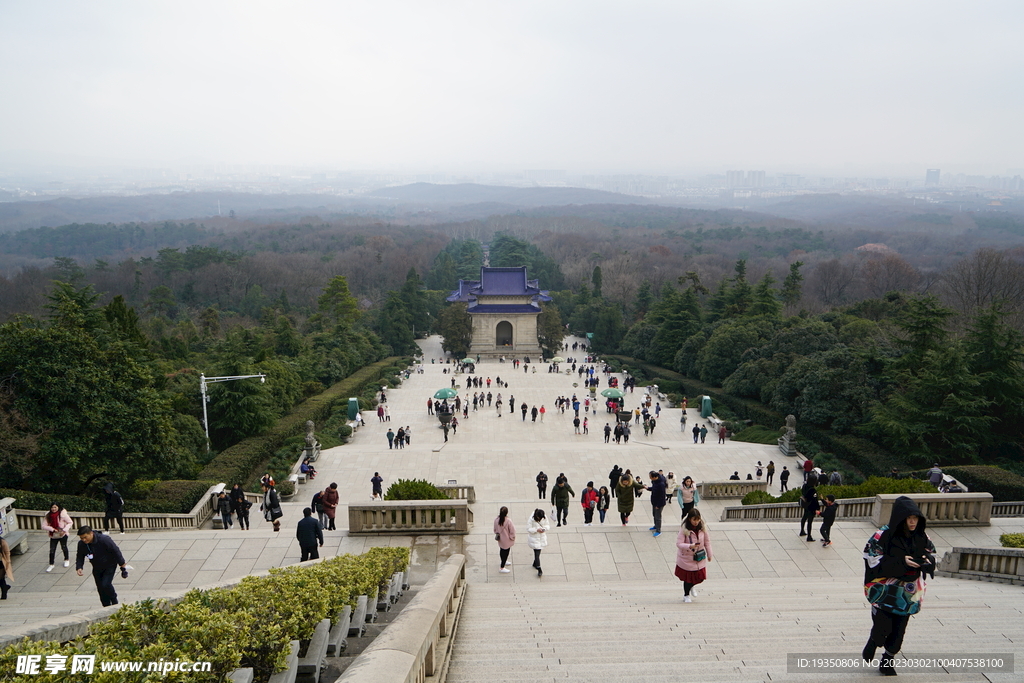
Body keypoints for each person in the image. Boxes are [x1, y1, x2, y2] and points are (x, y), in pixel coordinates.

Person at [861, 496, 936, 675]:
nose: (912, 522)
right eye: (909, 518)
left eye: (915, 518)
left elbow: (931, 553)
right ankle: (874, 640)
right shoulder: (883, 534)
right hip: (886, 591)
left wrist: (926, 561)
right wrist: (901, 561)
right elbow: (871, 558)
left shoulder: (922, 535)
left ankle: (887, 660)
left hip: (908, 593)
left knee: (899, 630)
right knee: (882, 628)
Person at [75, 525, 128, 607]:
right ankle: (106, 605)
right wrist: (79, 567)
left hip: (109, 565)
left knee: (105, 584)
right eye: (81, 538)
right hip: (96, 567)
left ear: (91, 533)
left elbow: (115, 550)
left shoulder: (104, 540)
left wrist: (122, 563)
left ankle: (114, 601)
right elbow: (80, 555)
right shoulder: (82, 544)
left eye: (85, 537)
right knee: (100, 588)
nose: (84, 540)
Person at [675, 508, 713, 603]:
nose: (696, 522)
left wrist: (709, 554)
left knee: (700, 577)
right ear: (689, 519)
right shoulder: (684, 529)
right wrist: (689, 546)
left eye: (698, 519)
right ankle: (686, 595)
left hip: (699, 557)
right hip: (686, 558)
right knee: (688, 579)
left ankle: (692, 586)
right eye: (694, 520)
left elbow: (707, 542)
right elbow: (679, 544)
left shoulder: (702, 528)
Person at [42, 502, 73, 572]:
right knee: (52, 550)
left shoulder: (63, 514)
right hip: (53, 535)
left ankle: (66, 559)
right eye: (52, 507)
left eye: (55, 507)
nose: (53, 509)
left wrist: (64, 530)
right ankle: (51, 564)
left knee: (64, 547)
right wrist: (52, 529)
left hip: (62, 534)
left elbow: (70, 522)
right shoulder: (48, 515)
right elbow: (43, 526)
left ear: (58, 507)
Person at [527, 509, 550, 576]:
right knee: (537, 554)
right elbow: (528, 529)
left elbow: (547, 526)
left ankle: (535, 563)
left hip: (541, 538)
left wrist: (544, 529)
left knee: (538, 553)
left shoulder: (544, 517)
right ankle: (539, 569)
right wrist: (536, 530)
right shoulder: (531, 519)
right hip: (534, 539)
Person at [494, 506, 516, 572]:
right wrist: (512, 537)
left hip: (500, 539)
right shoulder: (508, 521)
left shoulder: (496, 519)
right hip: (507, 539)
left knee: (501, 550)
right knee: (506, 552)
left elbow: (495, 529)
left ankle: (503, 561)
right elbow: (512, 531)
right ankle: (502, 567)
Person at [647, 471, 667, 536]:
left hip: (659, 503)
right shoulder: (655, 481)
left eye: (651, 477)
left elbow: (662, 496)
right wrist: (648, 488)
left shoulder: (661, 484)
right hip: (654, 502)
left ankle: (658, 530)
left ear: (655, 477)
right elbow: (654, 489)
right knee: (654, 514)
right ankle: (655, 526)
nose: (650, 478)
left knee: (658, 516)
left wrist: (658, 505)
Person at [0, 535, 12, 600]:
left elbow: (7, 552)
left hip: (1, 562)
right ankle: (5, 588)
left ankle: (4, 591)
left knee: (1, 578)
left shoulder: (2, 541)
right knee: (1, 579)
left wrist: (8, 562)